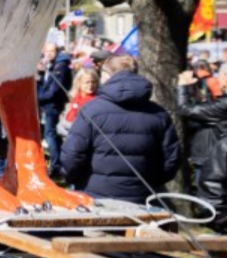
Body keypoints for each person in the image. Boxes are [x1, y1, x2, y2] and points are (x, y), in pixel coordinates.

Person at [60, 56, 180, 204]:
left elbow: (71, 155)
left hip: (104, 196)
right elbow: (171, 159)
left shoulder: (91, 109)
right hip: (125, 194)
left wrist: (73, 179)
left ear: (106, 76)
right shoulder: (158, 113)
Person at [179, 68, 227, 213]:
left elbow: (186, 109)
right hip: (221, 155)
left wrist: (182, 85)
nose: (217, 79)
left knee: (210, 202)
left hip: (213, 158)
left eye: (220, 75)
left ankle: (221, 227)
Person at [37, 43, 72, 175]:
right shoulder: (51, 65)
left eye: (52, 51)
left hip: (52, 105)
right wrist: (40, 75)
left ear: (57, 52)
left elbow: (54, 90)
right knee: (52, 134)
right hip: (48, 104)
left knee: (49, 134)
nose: (49, 54)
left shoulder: (60, 66)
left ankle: (56, 165)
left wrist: (39, 99)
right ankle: (57, 162)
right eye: (47, 51)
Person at [59, 68, 100, 137]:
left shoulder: (98, 100)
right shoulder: (74, 97)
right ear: (79, 83)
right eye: (87, 82)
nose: (90, 85)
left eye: (93, 82)